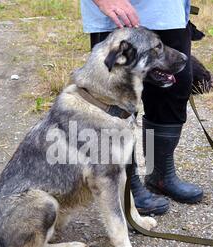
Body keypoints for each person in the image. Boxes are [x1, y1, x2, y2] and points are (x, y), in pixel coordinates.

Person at [81, 0, 203, 215]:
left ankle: (161, 174)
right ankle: (127, 185)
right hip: (120, 12)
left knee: (174, 87)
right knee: (117, 98)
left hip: (169, 10)